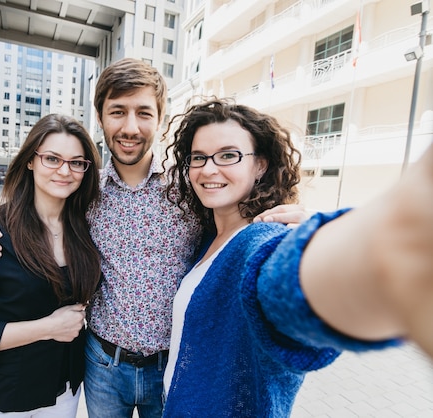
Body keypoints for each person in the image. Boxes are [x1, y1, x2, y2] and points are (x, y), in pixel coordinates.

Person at [0, 59, 307, 418]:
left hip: (172, 366)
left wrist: (301, 228)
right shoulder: (84, 191)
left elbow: (239, 227)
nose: (130, 127)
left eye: (143, 112)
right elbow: (37, 206)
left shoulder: (192, 188)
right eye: (118, 112)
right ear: (101, 117)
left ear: (160, 117)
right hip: (102, 363)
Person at [160, 98, 433, 417]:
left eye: (228, 155)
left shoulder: (260, 239)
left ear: (259, 164)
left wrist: (380, 253)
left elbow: (285, 283)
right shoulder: (207, 236)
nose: (208, 168)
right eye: (198, 158)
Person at [0, 114, 102, 417]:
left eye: (77, 162)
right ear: (30, 161)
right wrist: (47, 328)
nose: (65, 171)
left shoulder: (85, 227)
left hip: (65, 393)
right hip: (8, 400)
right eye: (52, 158)